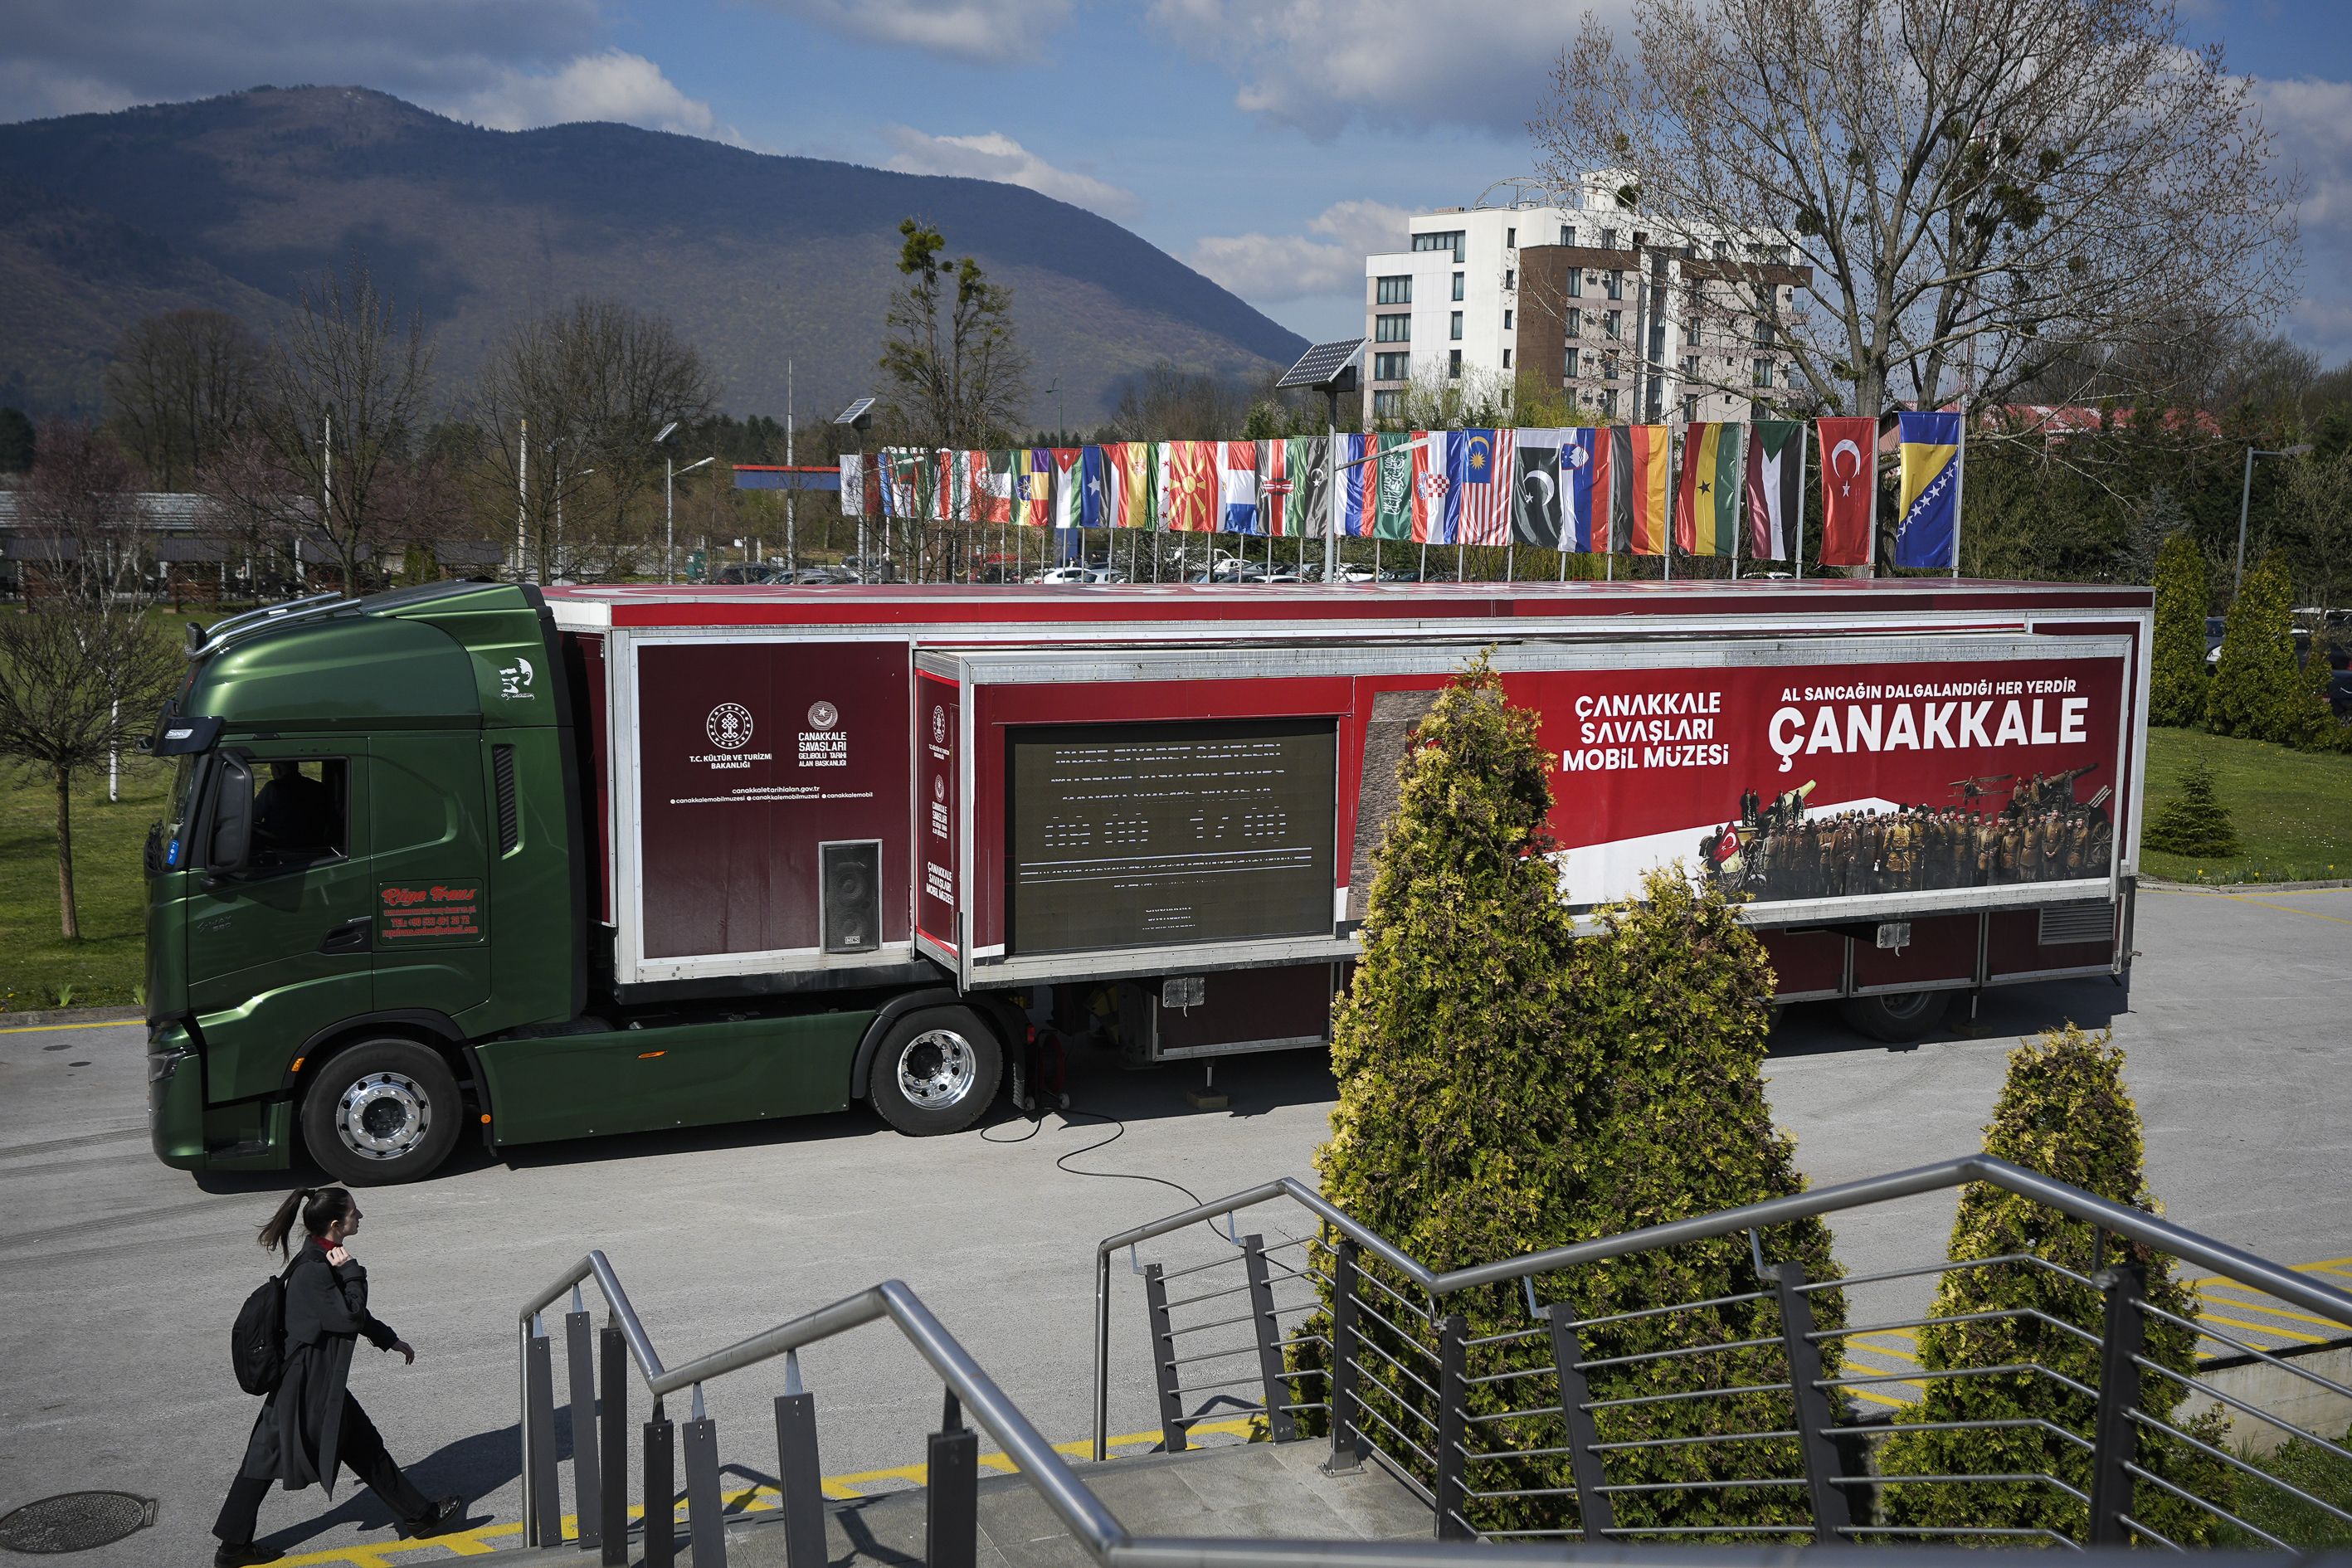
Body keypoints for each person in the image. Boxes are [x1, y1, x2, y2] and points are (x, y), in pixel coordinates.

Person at [213, 1188, 461, 1566]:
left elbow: (347, 1314)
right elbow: (347, 1314)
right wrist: (353, 1272)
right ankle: (232, 1548)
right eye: (354, 1213)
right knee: (264, 1459)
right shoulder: (316, 1268)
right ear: (335, 1224)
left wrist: (388, 1339)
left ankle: (421, 1516)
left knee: (362, 1446)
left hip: (313, 1380)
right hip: (308, 1384)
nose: (360, 1217)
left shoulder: (318, 1256)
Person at [252, 762, 337, 862]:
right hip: (315, 845)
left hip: (279, 845)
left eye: (272, 769)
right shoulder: (320, 787)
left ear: (278, 770)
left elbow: (252, 816)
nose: (272, 773)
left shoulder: (273, 787)